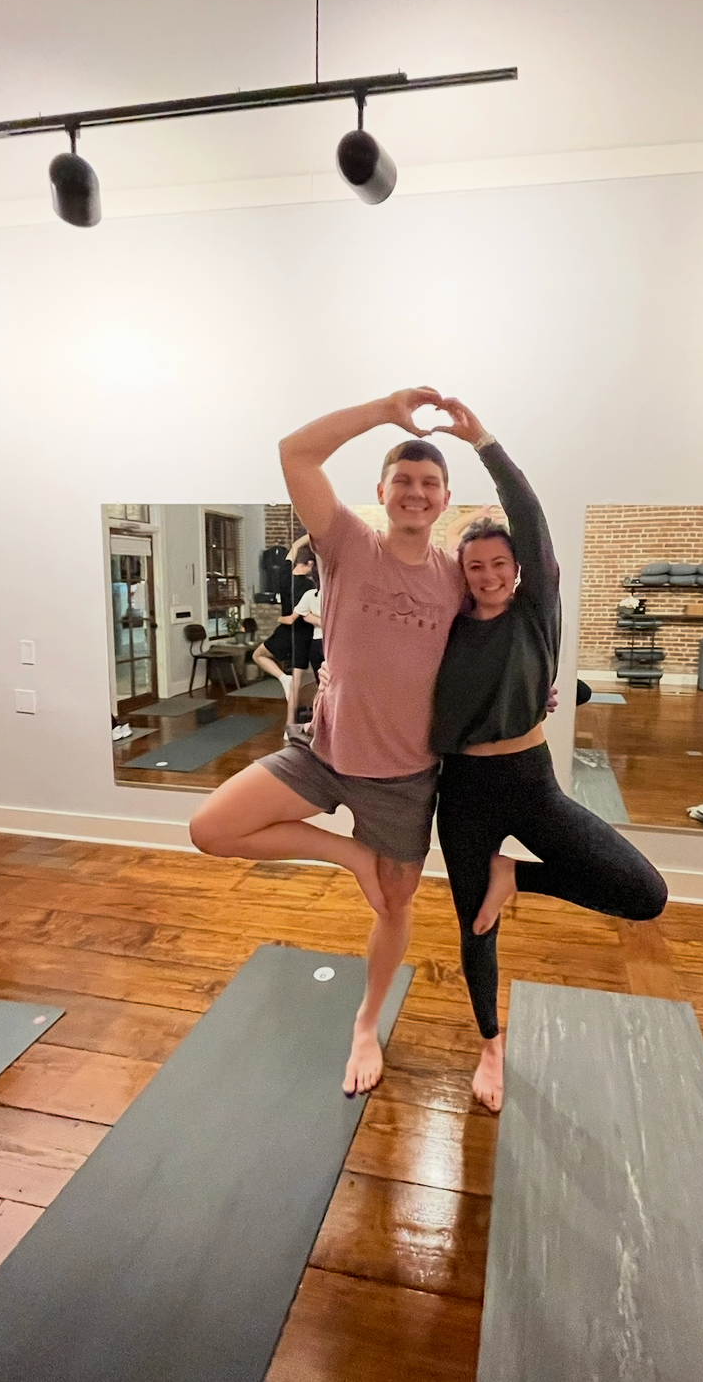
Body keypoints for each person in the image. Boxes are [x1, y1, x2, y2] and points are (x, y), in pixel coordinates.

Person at [189, 387, 465, 1097]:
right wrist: (385, 410)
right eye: (402, 479)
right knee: (209, 828)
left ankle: (366, 1022)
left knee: (394, 907)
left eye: (428, 482)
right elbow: (296, 453)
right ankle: (350, 855)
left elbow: (503, 634)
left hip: (405, 777)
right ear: (382, 491)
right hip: (324, 753)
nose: (415, 491)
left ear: (445, 499)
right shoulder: (347, 543)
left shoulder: (455, 579)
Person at [428, 399, 669, 1113]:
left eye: (499, 563)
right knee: (475, 924)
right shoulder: (447, 627)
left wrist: (482, 441)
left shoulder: (538, 612)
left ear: (519, 568)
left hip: (531, 783)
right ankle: (490, 1045)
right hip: (462, 788)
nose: (488, 575)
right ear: (462, 572)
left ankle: (514, 877)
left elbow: (528, 516)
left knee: (644, 894)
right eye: (475, 566)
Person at [250, 536, 314, 697]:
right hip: (303, 635)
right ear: (310, 564)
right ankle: (287, 683)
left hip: (286, 631)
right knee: (296, 685)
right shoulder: (309, 586)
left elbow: (295, 547)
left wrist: (308, 536)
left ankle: (283, 678)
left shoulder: (283, 574)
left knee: (257, 655)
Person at [286, 572, 324, 726]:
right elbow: (300, 615)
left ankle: (319, 724)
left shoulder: (311, 596)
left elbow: (302, 615)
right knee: (325, 688)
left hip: (318, 644)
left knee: (322, 688)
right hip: (325, 644)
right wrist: (322, 621)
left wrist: (313, 617)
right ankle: (321, 724)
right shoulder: (319, 595)